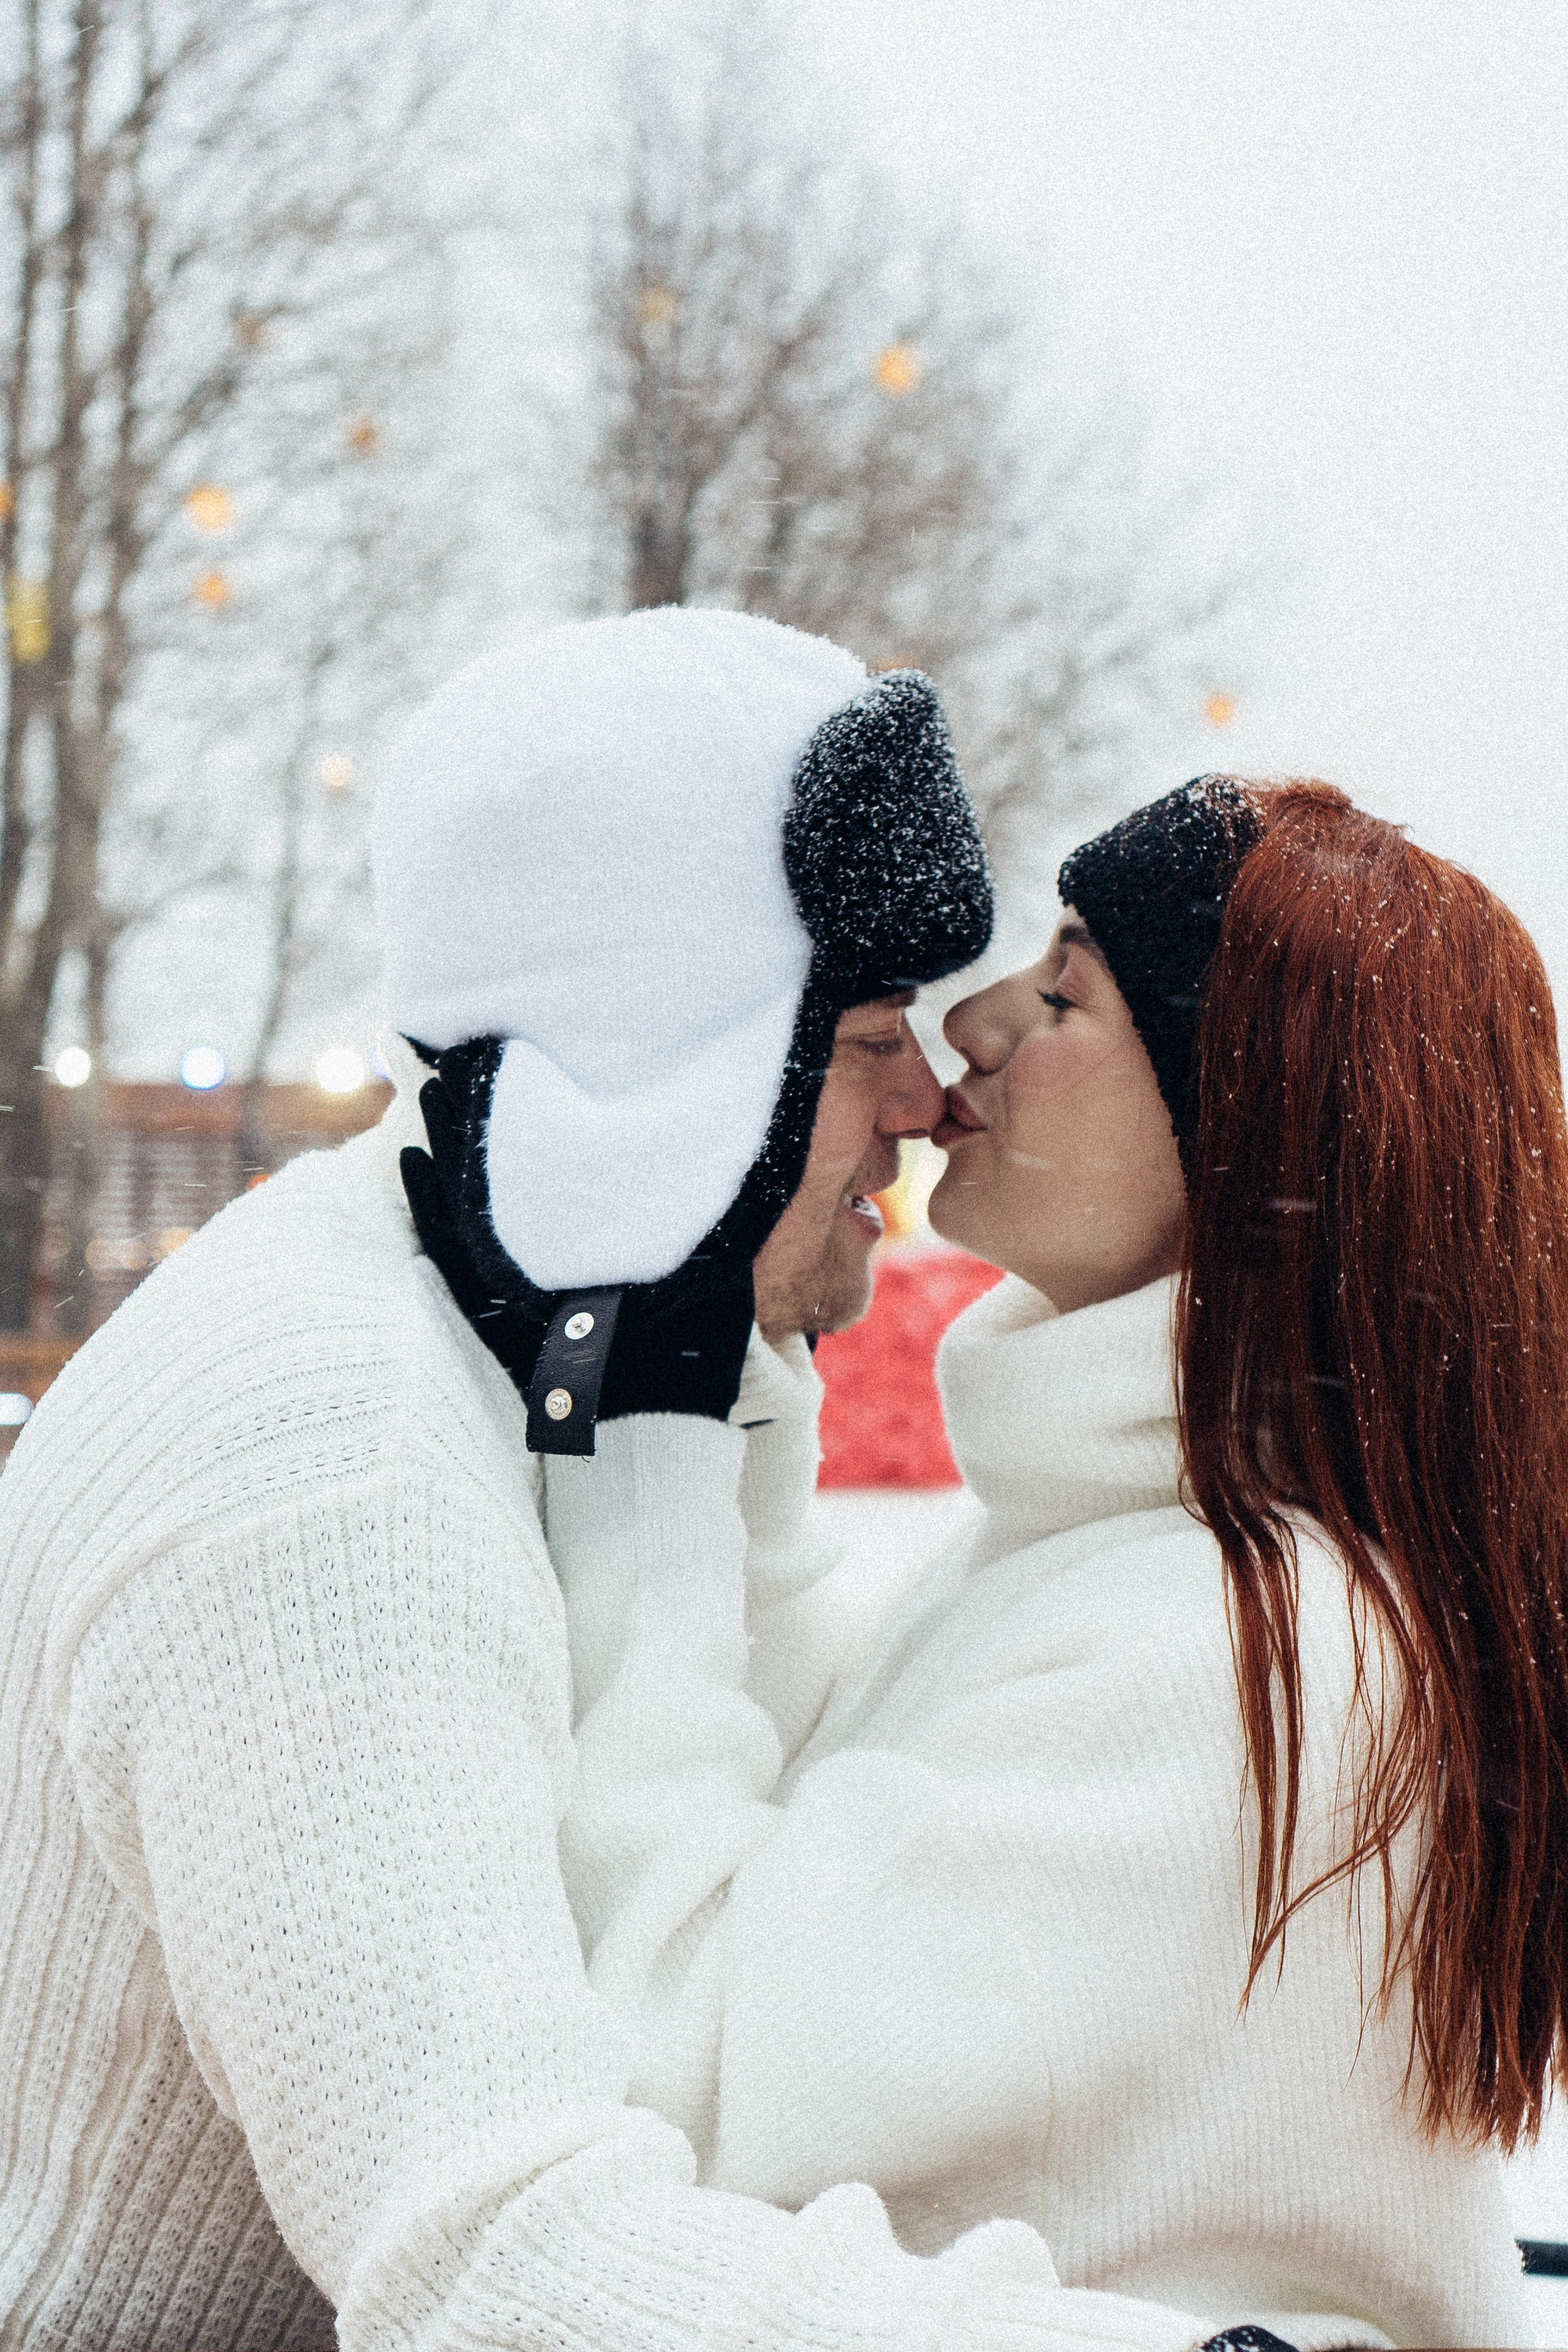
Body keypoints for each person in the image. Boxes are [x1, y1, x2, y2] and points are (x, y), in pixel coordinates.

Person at [0, 606, 1082, 2352]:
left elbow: (750, 1903)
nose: (927, 1108)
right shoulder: (334, 1463)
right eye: (868, 1032)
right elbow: (500, 2257)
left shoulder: (566, 1361)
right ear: (688, 1058)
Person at [543, 777, 1566, 2352]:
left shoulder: (1236, 1646)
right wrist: (740, 1356)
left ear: (1250, 1132)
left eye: (1065, 986)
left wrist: (658, 1430)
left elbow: (682, 2068)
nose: (973, 1022)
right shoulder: (1145, 1551)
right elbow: (805, 1792)